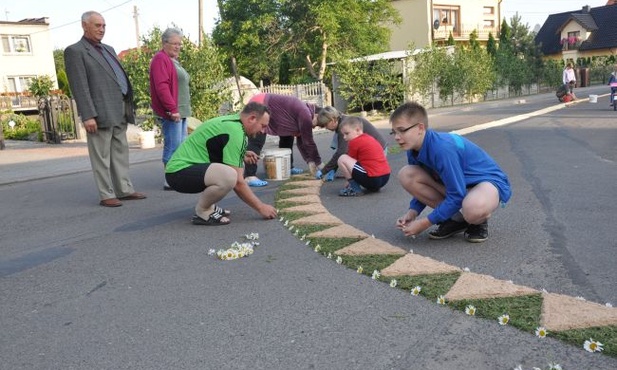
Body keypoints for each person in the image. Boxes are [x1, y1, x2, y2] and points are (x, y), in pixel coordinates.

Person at [392, 102, 511, 243]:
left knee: (473, 208)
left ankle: (477, 222)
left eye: (402, 130)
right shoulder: (414, 149)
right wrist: (412, 212)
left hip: (486, 183)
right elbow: (427, 183)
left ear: (420, 128)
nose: (397, 137)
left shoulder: (442, 148)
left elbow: (456, 194)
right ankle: (456, 220)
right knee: (408, 174)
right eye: (394, 132)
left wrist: (425, 223)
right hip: (459, 185)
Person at [64, 11, 146, 207]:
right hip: (98, 113)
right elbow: (79, 85)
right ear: (84, 26)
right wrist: (88, 114)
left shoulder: (108, 48)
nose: (101, 29)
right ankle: (106, 193)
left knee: (120, 152)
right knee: (101, 155)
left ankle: (124, 189)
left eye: (103, 26)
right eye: (97, 25)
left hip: (119, 109)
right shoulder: (75, 51)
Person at [165, 102, 278, 225]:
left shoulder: (232, 121)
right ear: (252, 118)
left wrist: (242, 154)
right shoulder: (236, 132)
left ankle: (210, 207)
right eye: (262, 126)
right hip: (178, 173)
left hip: (180, 170)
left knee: (232, 170)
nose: (262, 131)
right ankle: (203, 211)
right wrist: (261, 207)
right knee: (230, 176)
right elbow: (239, 183)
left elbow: (216, 146)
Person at [243, 93, 323, 187]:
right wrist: (319, 163)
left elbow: (302, 140)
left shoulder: (307, 112)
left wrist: (310, 161)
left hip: (272, 109)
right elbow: (308, 142)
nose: (314, 127)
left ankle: (287, 167)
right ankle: (249, 176)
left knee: (287, 136)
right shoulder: (305, 114)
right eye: (317, 124)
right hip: (260, 104)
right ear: (316, 114)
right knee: (257, 140)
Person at [149, 27, 191, 190]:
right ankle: (169, 178)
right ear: (164, 43)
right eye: (174, 43)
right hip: (172, 111)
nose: (177, 46)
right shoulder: (160, 59)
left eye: (179, 44)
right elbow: (162, 87)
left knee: (180, 146)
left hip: (181, 111)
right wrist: (172, 109)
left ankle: (177, 176)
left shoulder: (173, 61)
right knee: (172, 146)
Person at [313, 106, 387, 182]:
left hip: (379, 153)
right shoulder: (343, 120)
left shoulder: (345, 126)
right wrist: (333, 168)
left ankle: (353, 185)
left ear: (333, 120)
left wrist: (323, 171)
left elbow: (341, 152)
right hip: (378, 150)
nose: (326, 128)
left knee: (343, 158)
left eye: (325, 125)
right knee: (342, 148)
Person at [336, 117, 390, 197]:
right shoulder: (370, 138)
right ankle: (374, 188)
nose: (344, 137)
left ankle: (355, 189)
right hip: (385, 177)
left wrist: (349, 181)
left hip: (373, 178)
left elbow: (351, 162)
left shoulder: (354, 142)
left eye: (347, 133)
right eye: (343, 134)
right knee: (366, 164)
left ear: (358, 130)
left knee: (342, 158)